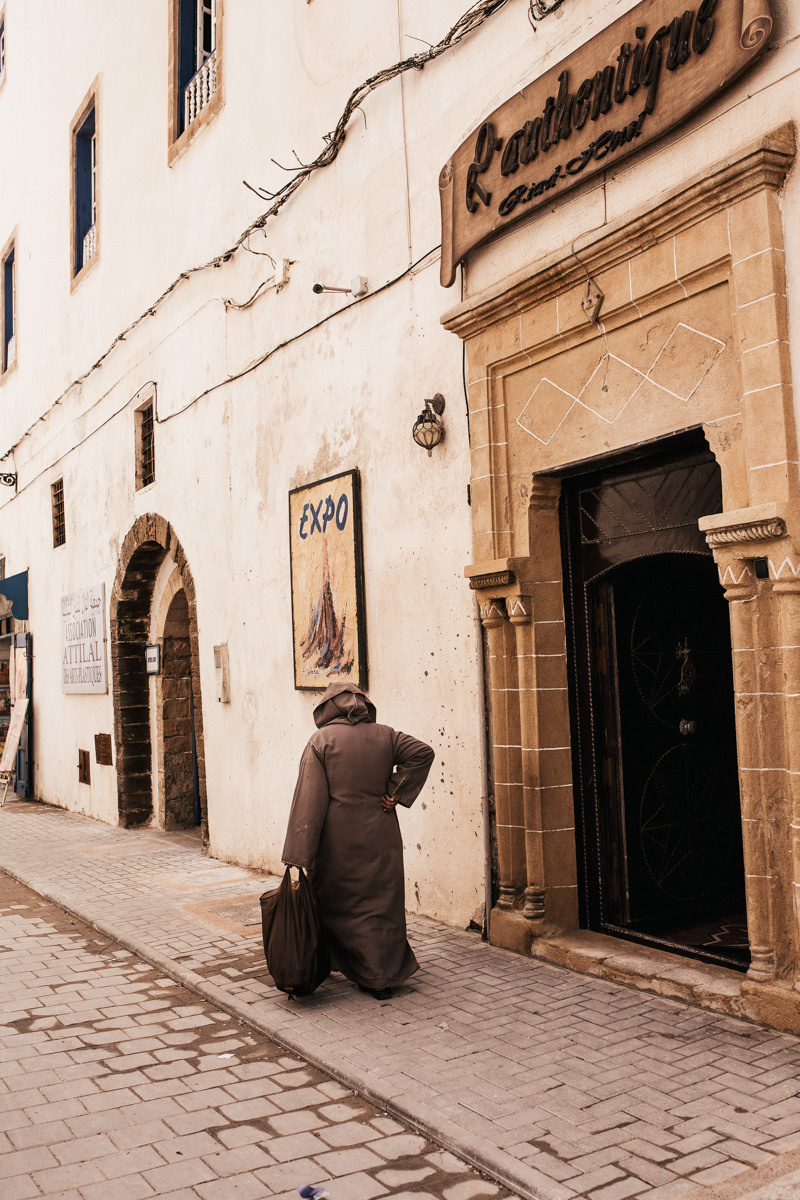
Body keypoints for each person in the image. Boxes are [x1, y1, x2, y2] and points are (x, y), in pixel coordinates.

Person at [282, 681, 434, 1000]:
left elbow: (309, 800)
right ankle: (381, 977)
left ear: (328, 707)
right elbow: (423, 753)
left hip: (338, 842)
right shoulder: (387, 735)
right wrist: (395, 792)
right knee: (381, 907)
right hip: (382, 837)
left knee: (337, 904)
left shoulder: (321, 741)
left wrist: (299, 854)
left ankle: (337, 964)